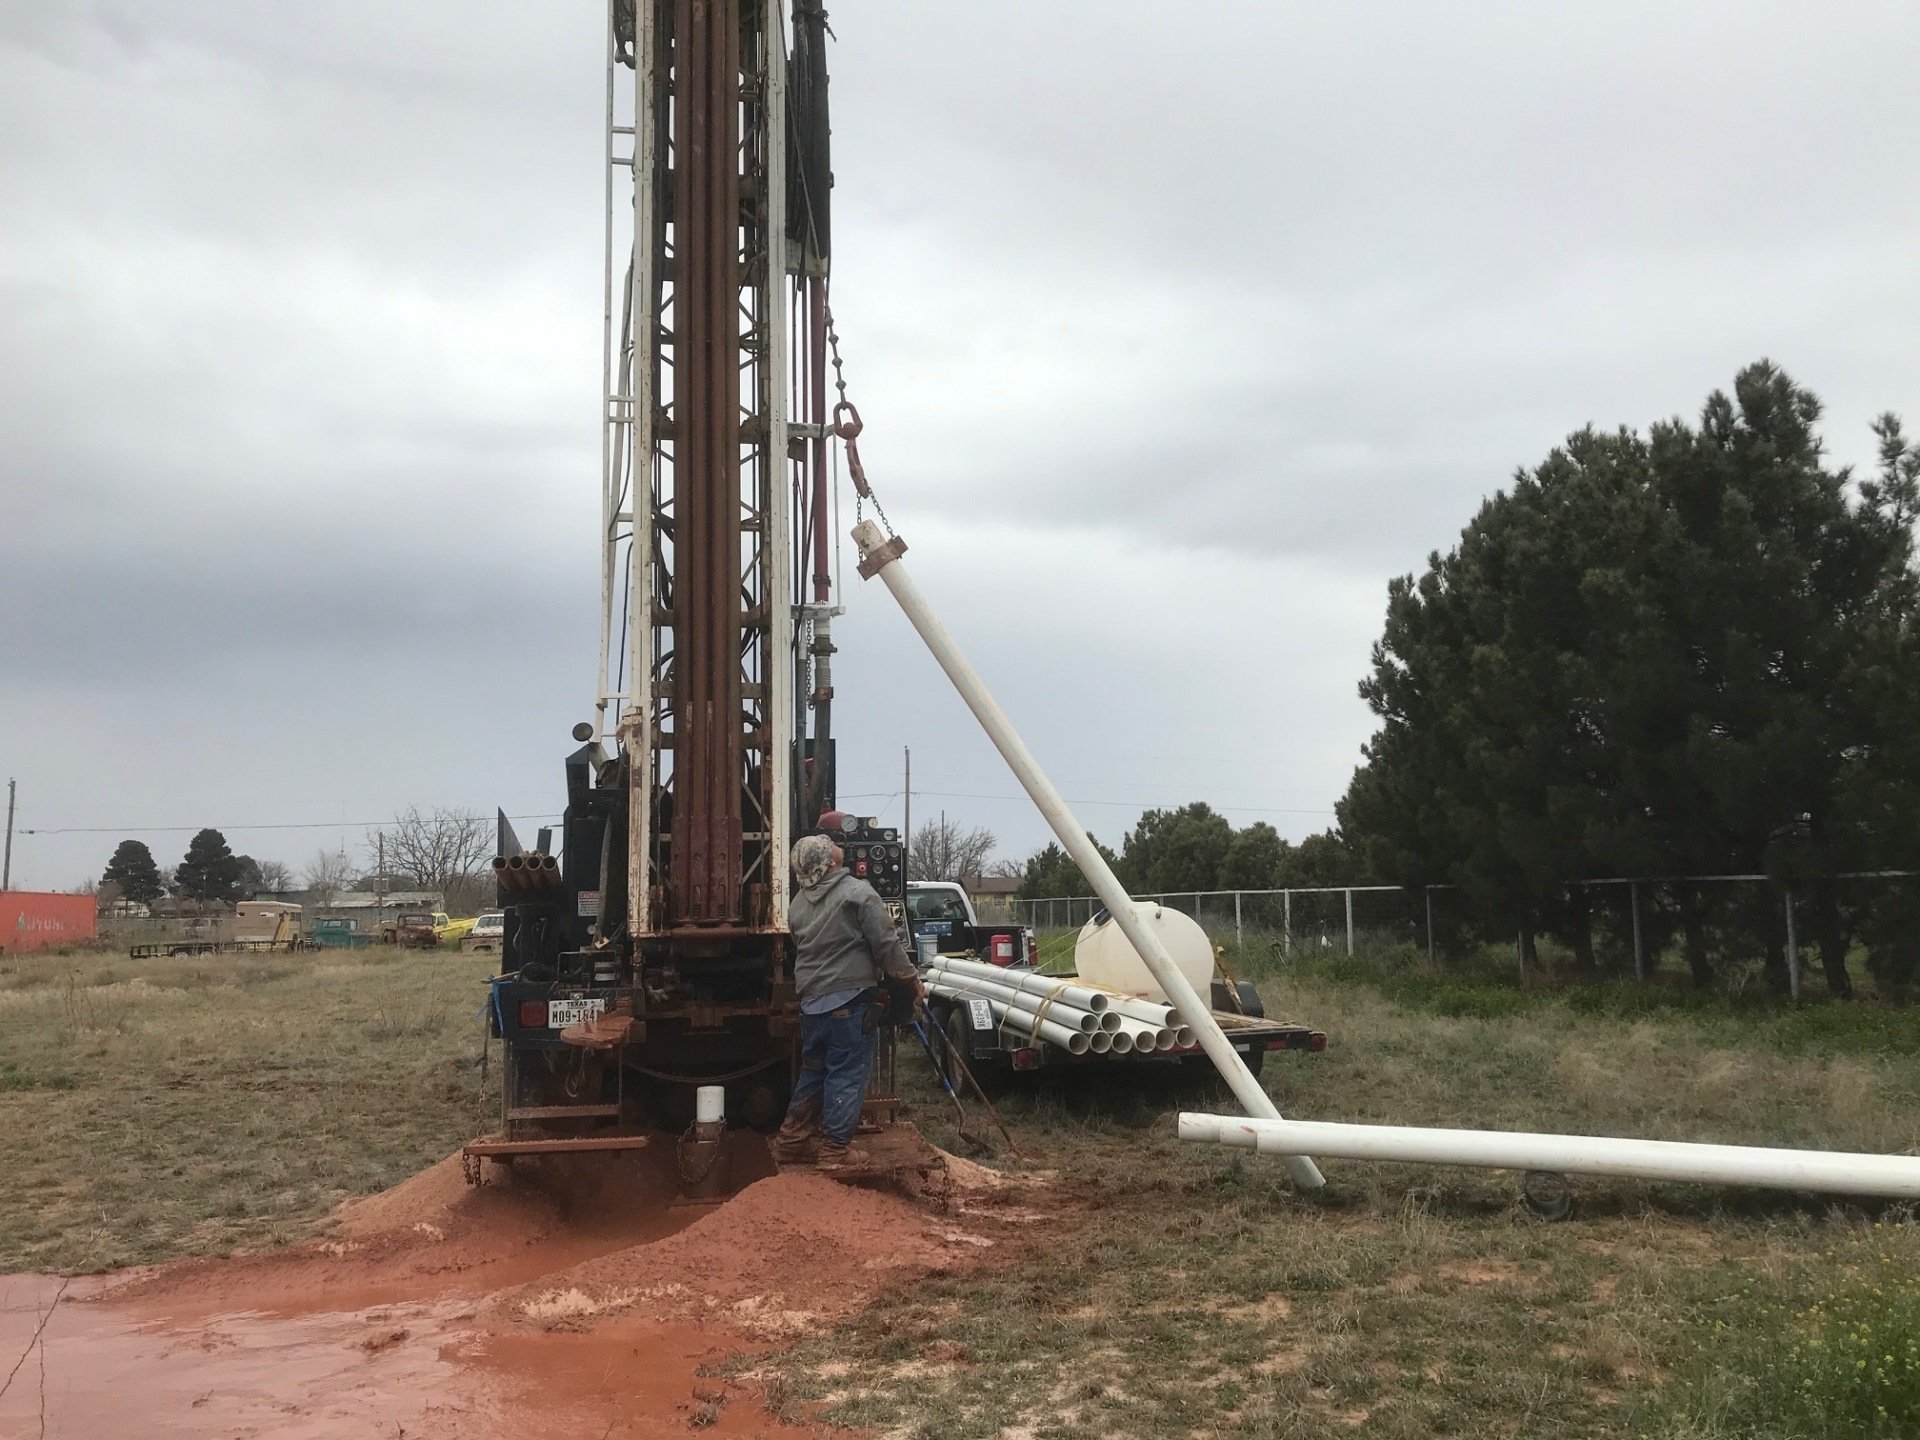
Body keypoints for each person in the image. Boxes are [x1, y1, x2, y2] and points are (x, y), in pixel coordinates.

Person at [772, 832, 919, 1169]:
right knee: (846, 1073)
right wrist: (910, 978)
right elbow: (886, 944)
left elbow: (798, 942)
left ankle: (792, 1141)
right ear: (831, 862)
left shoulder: (797, 904)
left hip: (812, 1003)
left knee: (814, 1072)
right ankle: (835, 1151)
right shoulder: (858, 893)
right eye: (829, 845)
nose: (833, 842)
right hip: (849, 1001)